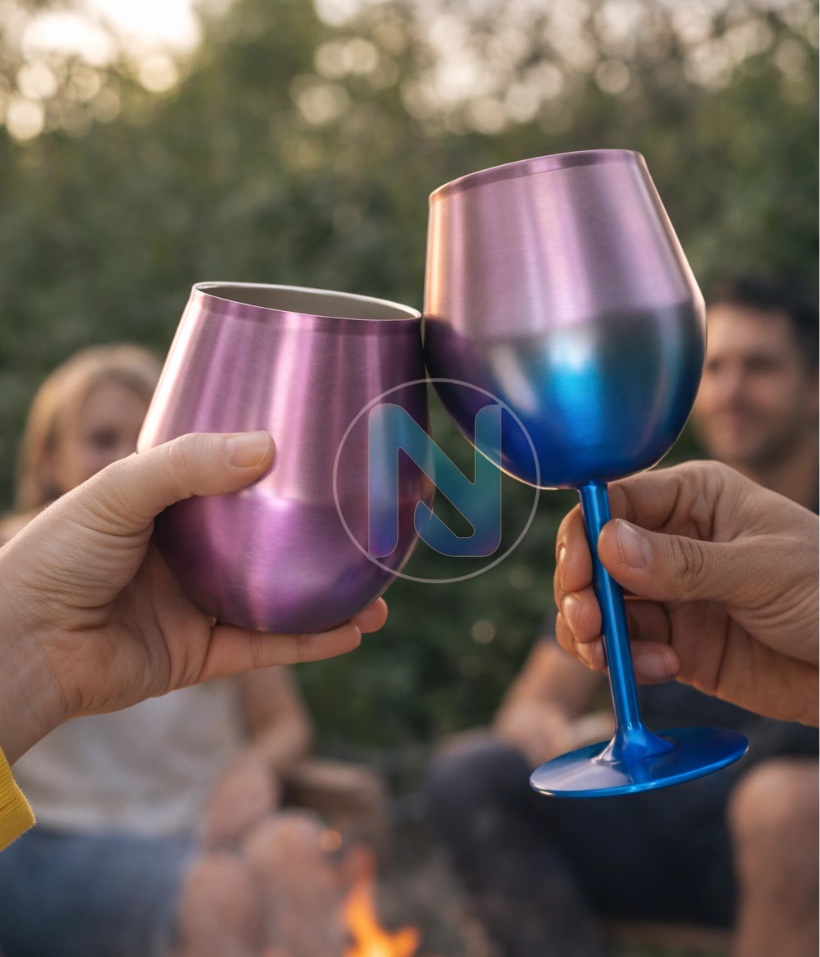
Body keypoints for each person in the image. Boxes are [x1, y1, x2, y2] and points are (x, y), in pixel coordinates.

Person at [425, 276, 819, 957]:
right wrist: (546, 725)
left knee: (787, 805)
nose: (731, 390)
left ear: (815, 388)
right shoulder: (657, 515)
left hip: (785, 828)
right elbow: (535, 701)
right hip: (655, 817)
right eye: (715, 367)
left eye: (760, 367)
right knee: (471, 775)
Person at [0, 346, 386, 957]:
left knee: (294, 850)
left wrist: (255, 768)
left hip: (199, 824)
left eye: (146, 437)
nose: (127, 458)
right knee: (218, 893)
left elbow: (283, 724)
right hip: (62, 836)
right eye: (101, 438)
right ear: (48, 459)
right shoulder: (16, 564)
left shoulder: (218, 569)